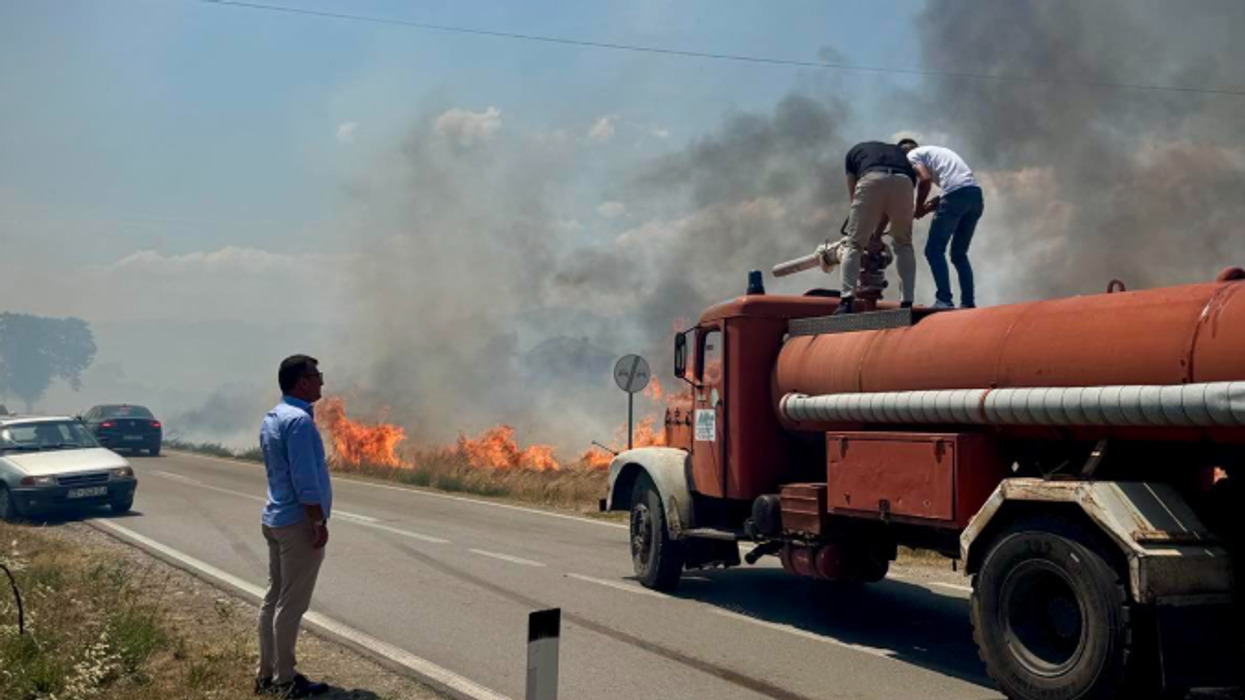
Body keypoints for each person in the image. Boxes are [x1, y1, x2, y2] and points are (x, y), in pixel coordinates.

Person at [255, 355, 332, 698]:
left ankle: (266, 673)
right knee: (290, 605)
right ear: (302, 382)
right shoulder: (299, 422)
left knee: (273, 599)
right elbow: (305, 479)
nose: (321, 382)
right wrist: (317, 520)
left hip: (274, 518)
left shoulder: (272, 417)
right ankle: (285, 682)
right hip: (297, 522)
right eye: (317, 376)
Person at [898, 138, 984, 309]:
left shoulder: (911, 156)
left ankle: (944, 300)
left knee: (933, 250)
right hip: (975, 197)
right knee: (959, 255)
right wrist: (931, 205)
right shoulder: (936, 152)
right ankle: (968, 302)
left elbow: (925, 180)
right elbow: (959, 187)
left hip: (955, 196)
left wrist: (919, 207)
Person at [835, 141, 918, 314]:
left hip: (871, 178)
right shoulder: (901, 156)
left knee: (854, 244)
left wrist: (869, 237)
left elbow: (854, 200)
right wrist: (877, 236)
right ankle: (907, 303)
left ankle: (846, 301)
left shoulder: (853, 153)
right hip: (904, 181)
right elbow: (889, 206)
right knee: (904, 244)